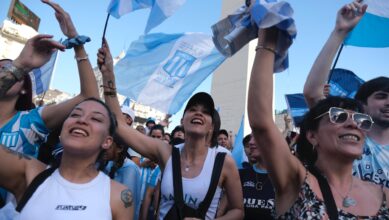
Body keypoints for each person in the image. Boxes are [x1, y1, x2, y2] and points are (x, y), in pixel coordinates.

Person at [247, 6, 389, 220]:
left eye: (360, 120)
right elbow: (262, 124)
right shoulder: (296, 181)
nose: (353, 124)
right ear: (312, 135)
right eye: (339, 116)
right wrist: (267, 41)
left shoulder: (385, 196)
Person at [98, 40, 244, 219]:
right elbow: (119, 126)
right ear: (182, 120)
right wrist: (108, 76)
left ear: (212, 127)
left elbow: (238, 211)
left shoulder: (224, 162)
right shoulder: (165, 153)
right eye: (192, 109)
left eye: (206, 112)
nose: (198, 113)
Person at [302, 0, 389, 188]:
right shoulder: (346, 137)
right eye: (381, 96)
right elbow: (312, 93)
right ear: (362, 105)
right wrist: (339, 32)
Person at [0, 98, 133, 219]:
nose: (81, 120)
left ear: (107, 141)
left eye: (96, 119)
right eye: (75, 114)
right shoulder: (31, 173)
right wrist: (19, 71)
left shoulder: (118, 196)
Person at [0, 0, 99, 157]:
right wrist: (20, 64)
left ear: (24, 87)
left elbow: (90, 96)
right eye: (3, 71)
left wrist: (76, 42)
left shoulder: (31, 120)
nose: (7, 72)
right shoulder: (18, 67)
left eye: (9, 69)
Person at [105, 136, 141, 220]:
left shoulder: (130, 169)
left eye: (109, 145)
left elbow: (128, 205)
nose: (104, 147)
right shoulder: (109, 164)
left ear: (119, 148)